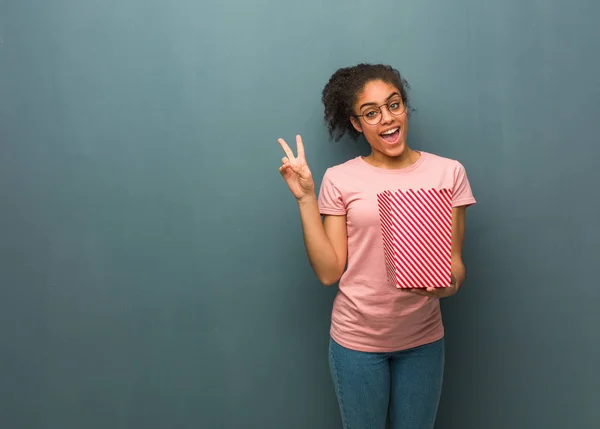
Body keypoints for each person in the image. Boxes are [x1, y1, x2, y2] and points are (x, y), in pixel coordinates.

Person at [277, 63, 476, 429]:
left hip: (423, 341)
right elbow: (328, 272)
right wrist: (306, 198)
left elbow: (456, 262)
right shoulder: (340, 179)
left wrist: (449, 285)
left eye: (394, 104)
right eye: (371, 113)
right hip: (357, 342)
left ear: (404, 107)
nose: (387, 119)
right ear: (356, 123)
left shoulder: (449, 173)